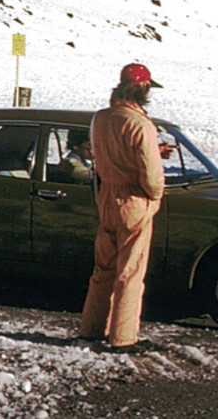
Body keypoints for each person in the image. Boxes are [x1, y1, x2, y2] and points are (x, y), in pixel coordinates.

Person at [80, 63, 165, 352]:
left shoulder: (101, 118)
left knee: (103, 267)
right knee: (130, 271)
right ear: (142, 89)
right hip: (134, 199)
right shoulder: (141, 124)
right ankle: (123, 337)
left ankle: (91, 328)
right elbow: (152, 176)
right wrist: (154, 198)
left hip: (107, 195)